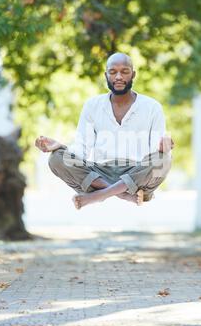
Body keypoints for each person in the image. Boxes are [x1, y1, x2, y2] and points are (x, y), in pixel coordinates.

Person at [35, 52, 174, 210]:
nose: (119, 77)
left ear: (133, 74)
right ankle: (122, 194)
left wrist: (162, 149)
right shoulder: (92, 105)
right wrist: (60, 146)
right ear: (106, 75)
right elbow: (82, 148)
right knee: (56, 158)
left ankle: (98, 195)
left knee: (164, 159)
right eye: (113, 72)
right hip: (100, 173)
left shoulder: (152, 107)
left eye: (125, 71)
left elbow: (154, 151)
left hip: (137, 173)